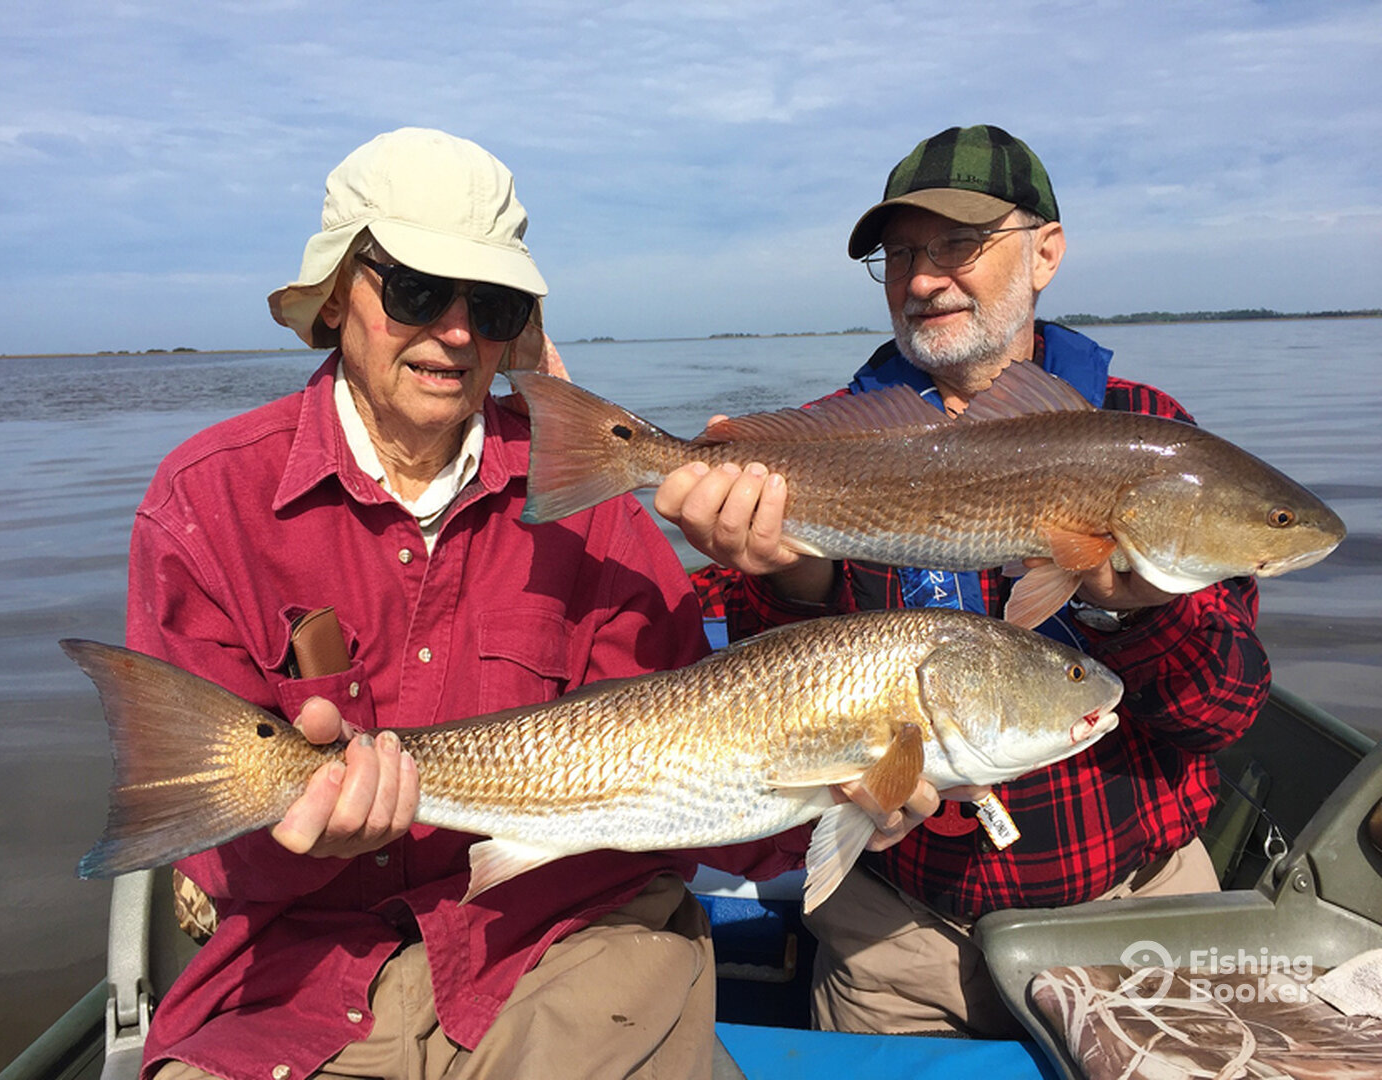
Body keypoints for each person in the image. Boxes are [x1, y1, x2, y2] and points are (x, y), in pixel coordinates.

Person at [126, 128, 923, 1080]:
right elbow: (201, 835)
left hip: (570, 952)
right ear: (338, 294)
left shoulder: (598, 520)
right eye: (418, 291)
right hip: (299, 986)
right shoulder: (204, 503)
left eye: (494, 303)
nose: (457, 331)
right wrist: (301, 837)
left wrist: (855, 785)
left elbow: (724, 809)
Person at [656, 124, 1270, 1037]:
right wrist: (792, 584)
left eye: (958, 244)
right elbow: (751, 716)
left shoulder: (1149, 434)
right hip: (895, 939)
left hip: (1136, 917)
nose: (922, 277)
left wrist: (1121, 615)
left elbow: (1225, 709)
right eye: (900, 253)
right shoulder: (822, 441)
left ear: (1046, 251)